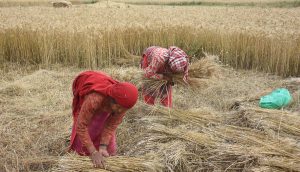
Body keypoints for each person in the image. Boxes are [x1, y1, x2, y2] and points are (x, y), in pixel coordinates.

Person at [69, 71, 138, 168]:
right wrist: (93, 152)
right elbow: (81, 126)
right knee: (89, 126)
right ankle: (81, 154)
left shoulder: (123, 104)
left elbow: (110, 126)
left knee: (109, 145)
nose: (120, 111)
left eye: (123, 110)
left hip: (106, 102)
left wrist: (103, 147)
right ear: (111, 99)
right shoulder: (94, 99)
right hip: (87, 86)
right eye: (118, 108)